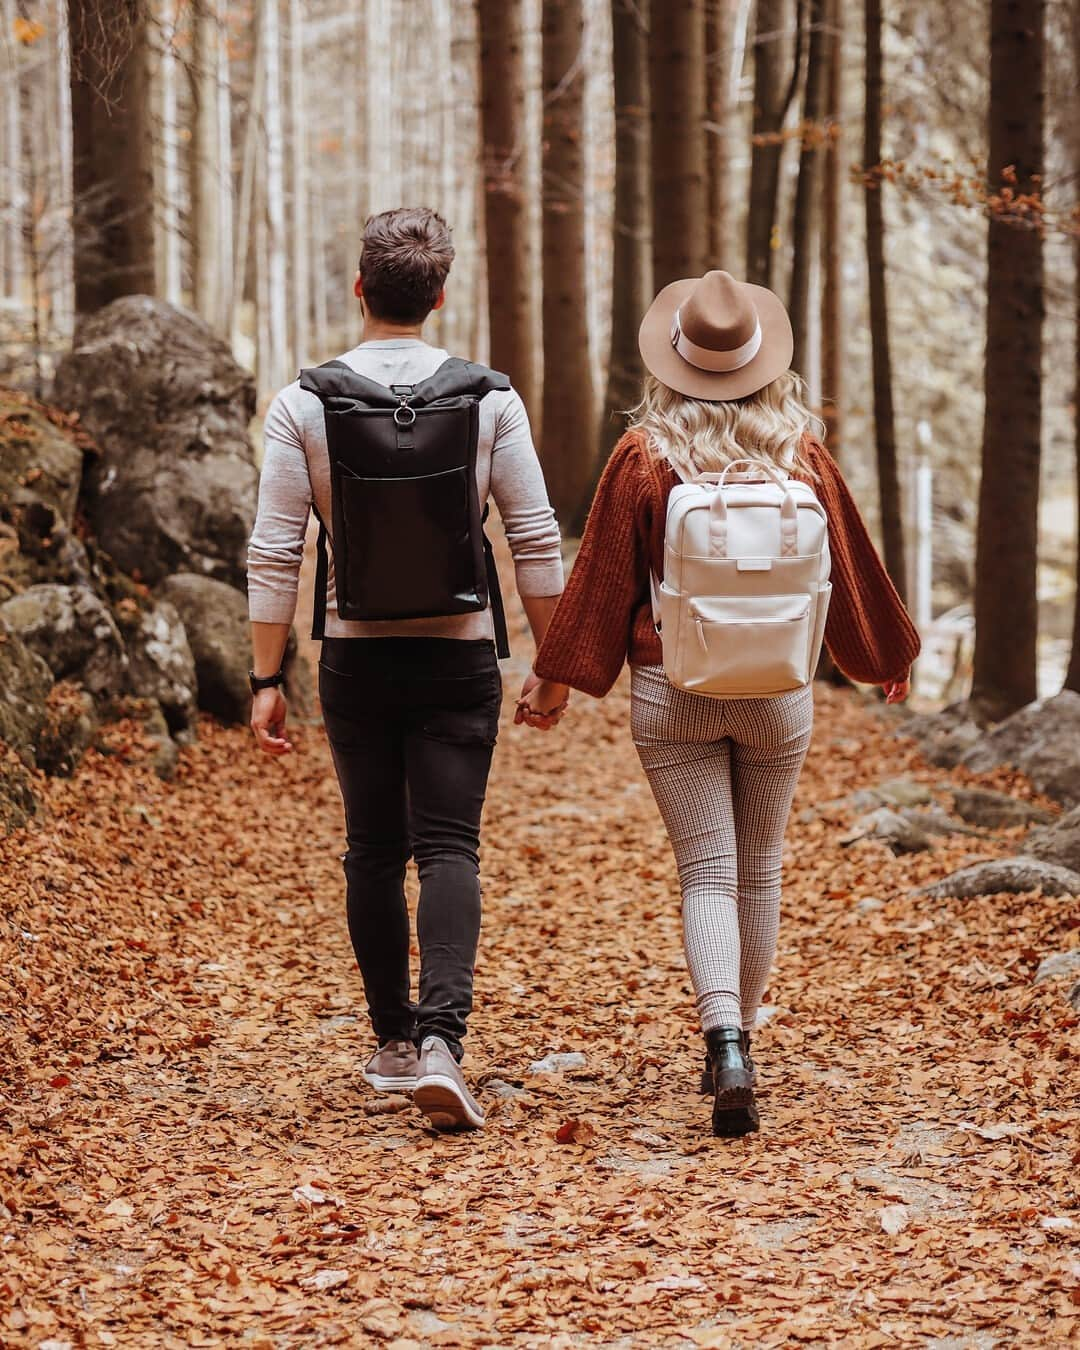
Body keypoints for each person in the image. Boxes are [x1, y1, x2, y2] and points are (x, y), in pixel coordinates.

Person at [520, 269, 920, 1138]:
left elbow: (601, 587)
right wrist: (885, 656)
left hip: (675, 691)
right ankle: (746, 1042)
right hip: (779, 690)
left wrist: (551, 683)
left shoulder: (645, 454)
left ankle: (724, 1040)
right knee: (762, 864)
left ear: (675, 360)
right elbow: (847, 566)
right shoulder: (800, 452)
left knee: (707, 869)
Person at [246, 207, 569, 1131]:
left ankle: (392, 1041)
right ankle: (442, 1043)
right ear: (438, 295)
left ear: (360, 290)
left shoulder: (303, 402)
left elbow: (276, 553)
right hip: (459, 654)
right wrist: (554, 661)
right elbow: (535, 538)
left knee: (373, 850)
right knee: (449, 848)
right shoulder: (490, 400)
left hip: (355, 658)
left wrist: (267, 679)